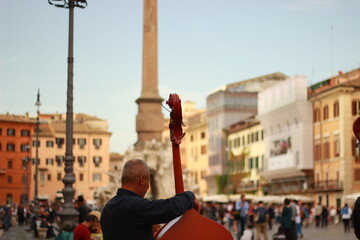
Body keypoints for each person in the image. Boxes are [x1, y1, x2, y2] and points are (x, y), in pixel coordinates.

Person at [100, 159, 200, 240]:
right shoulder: (135, 206)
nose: (148, 186)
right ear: (141, 180)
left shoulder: (108, 208)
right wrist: (190, 196)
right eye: (149, 181)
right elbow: (170, 208)